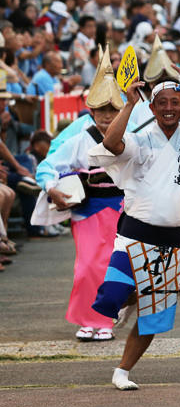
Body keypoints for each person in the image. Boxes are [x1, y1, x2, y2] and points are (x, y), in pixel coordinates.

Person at [89, 60, 180, 391]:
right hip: (133, 234)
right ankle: (127, 302)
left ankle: (122, 370)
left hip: (171, 241)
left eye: (176, 102)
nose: (169, 108)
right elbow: (111, 145)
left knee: (153, 318)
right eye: (162, 103)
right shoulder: (141, 138)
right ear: (153, 107)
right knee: (113, 295)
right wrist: (129, 104)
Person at [33, 52, 126, 341]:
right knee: (86, 266)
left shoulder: (131, 135)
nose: (107, 116)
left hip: (124, 210)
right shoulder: (79, 139)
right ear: (91, 111)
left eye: (112, 110)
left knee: (113, 264)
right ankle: (87, 319)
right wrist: (52, 189)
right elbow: (47, 166)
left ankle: (107, 319)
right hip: (87, 210)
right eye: (101, 111)